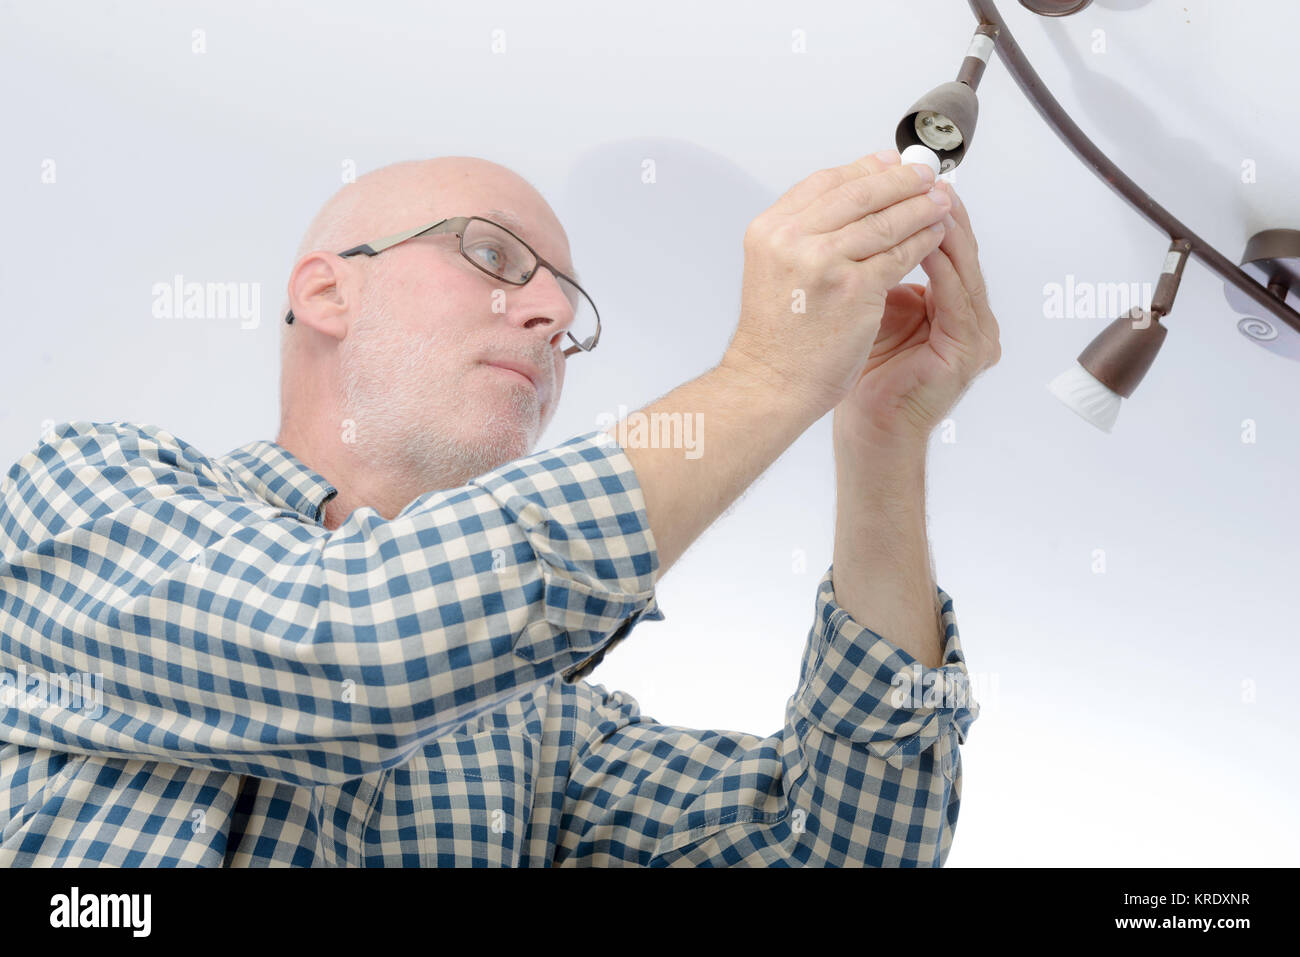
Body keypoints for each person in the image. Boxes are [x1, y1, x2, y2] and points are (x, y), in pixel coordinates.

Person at [0, 150, 1000, 866]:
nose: (553, 314)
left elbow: (848, 846)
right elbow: (351, 645)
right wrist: (763, 379)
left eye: (567, 303)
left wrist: (882, 441)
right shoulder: (77, 493)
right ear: (326, 292)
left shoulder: (544, 739)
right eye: (490, 255)